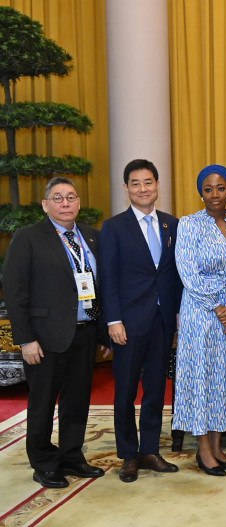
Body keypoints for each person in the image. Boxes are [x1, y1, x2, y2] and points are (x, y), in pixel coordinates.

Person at [3, 177, 110, 489]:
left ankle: (72, 455)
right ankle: (44, 462)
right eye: (58, 198)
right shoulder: (28, 237)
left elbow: (102, 287)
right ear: (45, 205)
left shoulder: (92, 236)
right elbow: (15, 292)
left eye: (71, 197)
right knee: (43, 402)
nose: (66, 203)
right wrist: (26, 339)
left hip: (85, 333)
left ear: (79, 202)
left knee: (77, 400)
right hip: (45, 337)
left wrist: (103, 333)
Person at [99, 159, 182, 483]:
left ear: (157, 185)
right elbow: (108, 278)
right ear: (126, 188)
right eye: (135, 183)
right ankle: (128, 455)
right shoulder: (114, 227)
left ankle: (149, 450)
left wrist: (178, 313)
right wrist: (113, 320)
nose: (143, 188)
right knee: (124, 391)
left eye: (148, 182)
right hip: (128, 323)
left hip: (162, 320)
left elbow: (175, 275)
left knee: (155, 390)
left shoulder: (172, 224)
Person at [172, 164, 226, 476]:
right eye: (208, 189)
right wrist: (220, 309)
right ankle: (203, 449)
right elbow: (188, 273)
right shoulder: (188, 224)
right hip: (200, 311)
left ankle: (218, 446)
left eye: (220, 188)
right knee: (202, 376)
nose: (215, 194)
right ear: (201, 193)